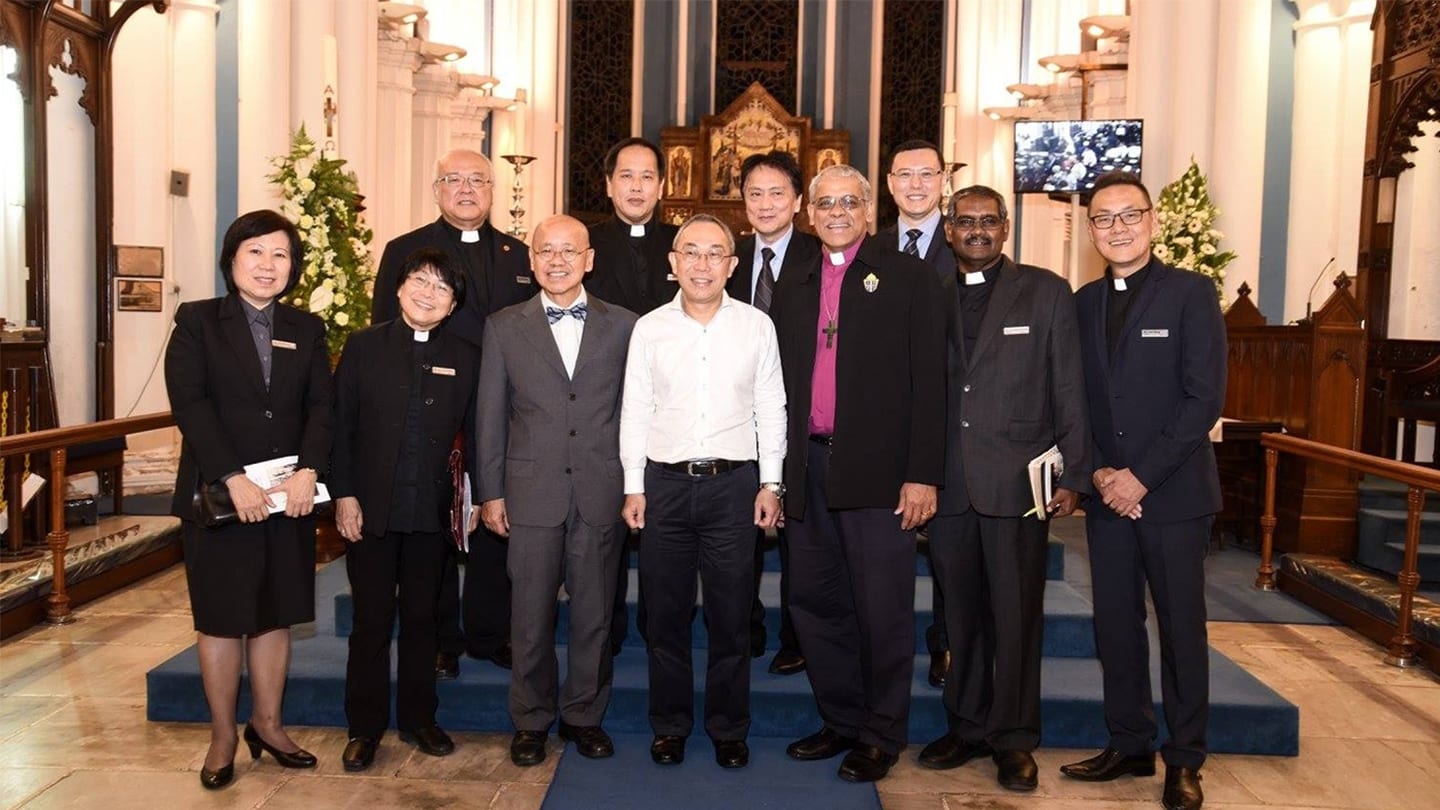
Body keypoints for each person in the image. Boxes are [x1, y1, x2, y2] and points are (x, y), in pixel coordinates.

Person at [770, 165, 946, 783]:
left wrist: (923, 474)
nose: (836, 212)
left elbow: (932, 384)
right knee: (815, 602)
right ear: (808, 213)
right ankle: (840, 719)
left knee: (882, 608)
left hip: (880, 471)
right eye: (825, 203)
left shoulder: (910, 277)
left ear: (870, 210)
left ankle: (881, 731)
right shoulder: (794, 284)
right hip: (808, 466)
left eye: (849, 202)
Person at [916, 185, 1091, 791]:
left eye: (988, 221)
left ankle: (1014, 739)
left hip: (1020, 484)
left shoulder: (1044, 291)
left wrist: (1074, 473)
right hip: (949, 485)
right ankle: (965, 726)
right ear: (948, 230)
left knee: (1017, 617)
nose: (977, 231)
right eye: (966, 222)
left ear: (1006, 226)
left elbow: (1068, 385)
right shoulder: (928, 295)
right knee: (958, 616)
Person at [1060, 171, 1226, 810]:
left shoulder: (1190, 293)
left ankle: (1184, 760)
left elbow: (1202, 398)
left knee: (1181, 629)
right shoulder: (1082, 302)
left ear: (1152, 221)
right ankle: (1128, 743)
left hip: (1174, 497)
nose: (1117, 228)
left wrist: (1140, 476)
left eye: (1129, 215)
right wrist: (1100, 472)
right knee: (1116, 627)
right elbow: (1078, 399)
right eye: (1103, 218)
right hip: (1108, 497)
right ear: (1092, 231)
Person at [165, 209, 332, 790]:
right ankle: (221, 735)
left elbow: (320, 406)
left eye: (281, 254)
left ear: (294, 267)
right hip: (220, 499)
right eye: (256, 252)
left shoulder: (307, 328)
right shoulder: (198, 322)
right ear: (232, 258)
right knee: (220, 619)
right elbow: (190, 404)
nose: (268, 265)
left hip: (288, 498)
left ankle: (269, 724)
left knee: (275, 614)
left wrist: (309, 468)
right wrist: (231, 476)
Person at [619, 214, 786, 770]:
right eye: (691, 252)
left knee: (731, 615)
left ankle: (727, 727)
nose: (702, 264)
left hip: (733, 487)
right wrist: (632, 485)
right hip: (663, 486)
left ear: (732, 266)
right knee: (664, 617)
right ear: (673, 263)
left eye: (715, 254)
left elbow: (771, 407)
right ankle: (669, 726)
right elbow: (635, 410)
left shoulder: (757, 325)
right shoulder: (650, 328)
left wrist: (772, 482)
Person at [476, 215, 638, 768]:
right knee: (529, 615)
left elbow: (637, 413)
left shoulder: (624, 326)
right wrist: (490, 492)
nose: (558, 261)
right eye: (546, 251)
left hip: (600, 490)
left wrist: (634, 484)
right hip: (529, 492)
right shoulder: (503, 327)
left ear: (589, 259)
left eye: (569, 251)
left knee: (594, 614)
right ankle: (530, 720)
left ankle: (584, 716)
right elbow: (490, 417)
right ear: (532, 260)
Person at [372, 148, 530, 679]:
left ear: (492, 189)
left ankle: (490, 631)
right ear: (436, 189)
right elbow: (382, 338)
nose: (466, 189)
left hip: (504, 414)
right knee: (433, 525)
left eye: (478, 180)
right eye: (454, 180)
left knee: (495, 520)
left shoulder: (518, 254)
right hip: (432, 414)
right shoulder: (405, 251)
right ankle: (441, 636)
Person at [331, 248, 480, 771]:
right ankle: (363, 727)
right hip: (369, 509)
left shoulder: (467, 354)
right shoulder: (364, 346)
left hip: (430, 511)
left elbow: (478, 436)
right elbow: (340, 428)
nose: (428, 293)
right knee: (371, 620)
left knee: (422, 620)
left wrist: (476, 499)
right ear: (398, 288)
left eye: (442, 288)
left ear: (453, 303)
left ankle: (420, 718)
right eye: (420, 281)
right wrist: (344, 495)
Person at [583, 137, 682, 656]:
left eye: (647, 176)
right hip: (604, 407)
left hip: (674, 410)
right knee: (607, 527)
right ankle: (607, 629)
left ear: (662, 186)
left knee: (664, 528)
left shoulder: (686, 244)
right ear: (608, 184)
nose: (637, 186)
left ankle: (660, 627)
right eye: (627, 176)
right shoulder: (587, 245)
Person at [724, 150, 820, 677]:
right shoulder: (728, 259)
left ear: (798, 201)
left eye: (777, 193)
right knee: (740, 533)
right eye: (754, 194)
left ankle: (798, 635)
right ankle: (747, 625)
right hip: (737, 417)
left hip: (803, 416)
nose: (765, 204)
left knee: (800, 537)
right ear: (742, 202)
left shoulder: (819, 255)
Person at [877, 138, 956, 688]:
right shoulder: (867, 247)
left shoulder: (967, 245)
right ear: (889, 184)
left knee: (949, 556)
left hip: (949, 423)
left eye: (926, 173)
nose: (916, 184)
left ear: (943, 180)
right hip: (880, 431)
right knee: (880, 561)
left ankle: (946, 644)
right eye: (905, 174)